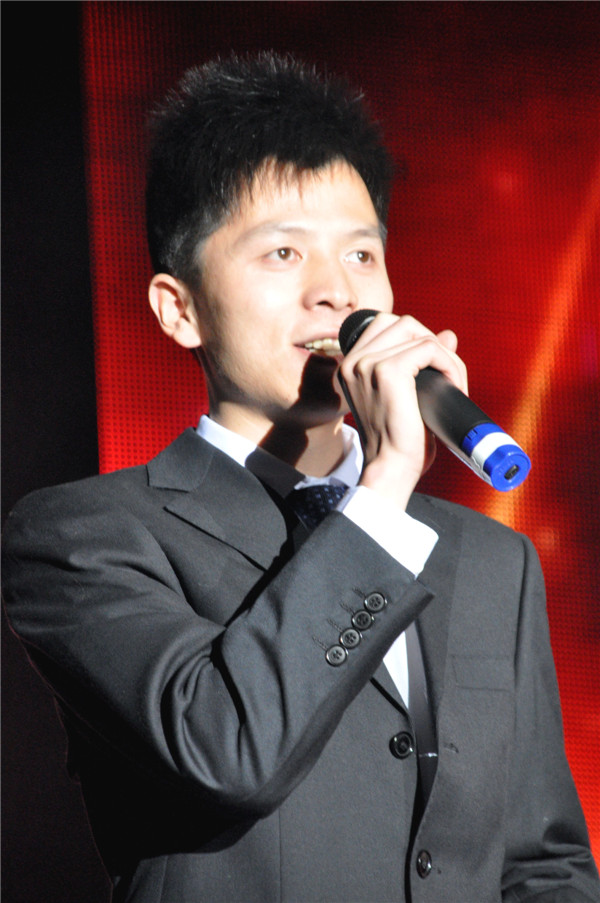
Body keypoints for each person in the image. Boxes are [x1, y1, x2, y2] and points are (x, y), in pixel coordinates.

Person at [3, 52, 598, 903]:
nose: (336, 293)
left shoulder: (492, 559)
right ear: (179, 308)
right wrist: (387, 481)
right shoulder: (83, 535)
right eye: (283, 252)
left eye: (362, 254)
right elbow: (225, 751)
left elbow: (542, 861)